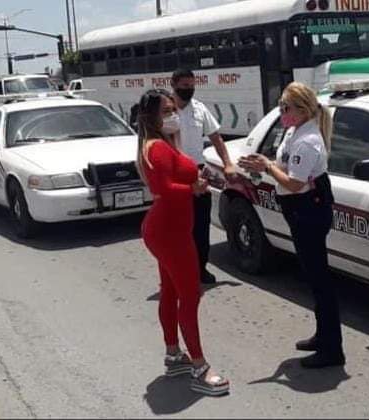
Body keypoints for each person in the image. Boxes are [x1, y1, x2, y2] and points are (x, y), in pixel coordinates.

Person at [237, 82, 345, 369]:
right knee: (312, 275)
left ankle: (332, 349)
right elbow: (285, 165)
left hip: (309, 209)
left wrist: (267, 167)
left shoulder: (308, 140)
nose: (281, 112)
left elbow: (295, 183)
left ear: (302, 109)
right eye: (280, 106)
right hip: (298, 209)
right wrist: (266, 163)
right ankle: (323, 336)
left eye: (286, 107)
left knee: (319, 279)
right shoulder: (293, 131)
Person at [137, 89, 230, 396]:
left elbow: (173, 179)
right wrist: (193, 188)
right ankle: (200, 368)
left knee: (171, 291)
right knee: (190, 295)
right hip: (170, 232)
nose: (173, 115)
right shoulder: (157, 148)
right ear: (151, 117)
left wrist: (197, 180)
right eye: (166, 111)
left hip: (169, 229)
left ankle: (174, 354)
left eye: (173, 109)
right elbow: (163, 187)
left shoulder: (161, 144)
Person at [171, 68, 236, 285]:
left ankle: (200, 268)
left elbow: (216, 138)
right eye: (185, 86)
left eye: (192, 86)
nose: (189, 90)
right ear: (174, 85)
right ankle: (179, 269)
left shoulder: (199, 109)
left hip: (197, 171)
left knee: (201, 224)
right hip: (174, 173)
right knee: (179, 227)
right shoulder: (165, 110)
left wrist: (227, 164)